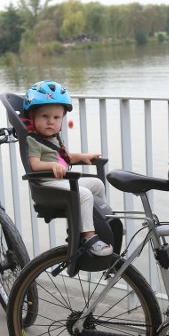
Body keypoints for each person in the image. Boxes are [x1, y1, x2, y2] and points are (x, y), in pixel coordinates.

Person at [23, 81, 112, 257]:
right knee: (84, 193)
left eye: (56, 118)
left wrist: (83, 157)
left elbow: (65, 158)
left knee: (96, 184)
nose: (50, 122)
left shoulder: (55, 138)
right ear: (33, 117)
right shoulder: (33, 140)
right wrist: (52, 165)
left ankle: (101, 222)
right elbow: (34, 164)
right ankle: (88, 236)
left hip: (61, 181)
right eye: (44, 117)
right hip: (47, 185)